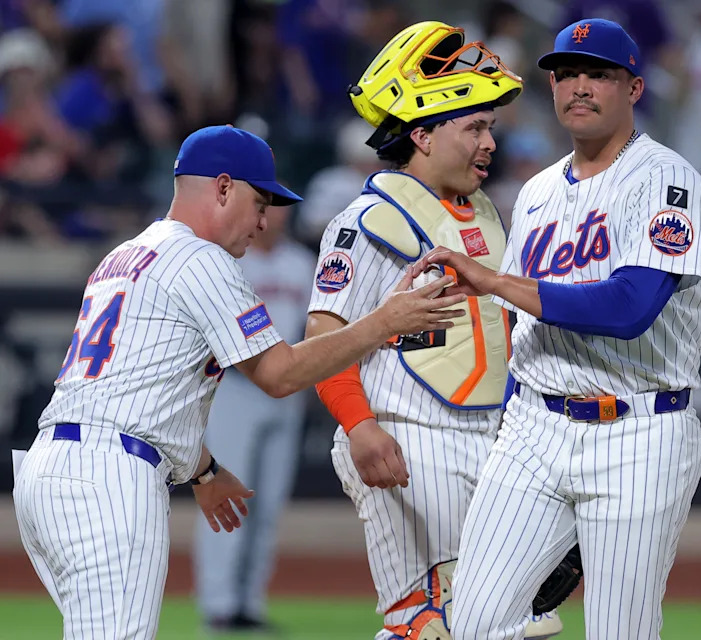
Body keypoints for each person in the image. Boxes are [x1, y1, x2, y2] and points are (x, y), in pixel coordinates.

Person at [12, 124, 465, 640]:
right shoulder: (201, 257)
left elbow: (134, 389)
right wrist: (384, 321)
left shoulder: (128, 253)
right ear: (224, 188)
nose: (264, 219)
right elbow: (278, 373)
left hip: (50, 469)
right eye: (260, 201)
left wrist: (204, 472)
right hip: (106, 478)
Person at [420, 18, 701, 640]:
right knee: (473, 623)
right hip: (534, 428)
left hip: (639, 431)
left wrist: (495, 281)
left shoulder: (667, 180)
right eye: (566, 74)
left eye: (597, 74)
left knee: (619, 632)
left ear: (633, 89)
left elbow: (629, 309)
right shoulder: (535, 192)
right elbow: (522, 317)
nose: (578, 86)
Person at [305, 21, 561, 640]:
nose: (489, 143)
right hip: (408, 438)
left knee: (506, 626)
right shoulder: (369, 219)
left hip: (491, 440)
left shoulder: (489, 213)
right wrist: (360, 427)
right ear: (421, 134)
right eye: (473, 127)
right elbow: (321, 337)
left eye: (490, 128)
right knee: (427, 623)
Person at [192, 203, 316, 632]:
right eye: (268, 208)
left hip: (287, 390)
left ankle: (249, 602)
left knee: (267, 503)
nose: (275, 217)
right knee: (227, 498)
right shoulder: (228, 263)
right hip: (234, 390)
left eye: (281, 210)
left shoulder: (303, 264)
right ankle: (219, 603)